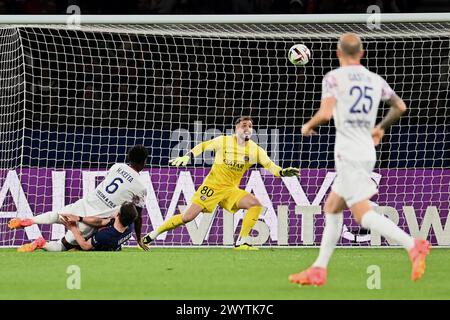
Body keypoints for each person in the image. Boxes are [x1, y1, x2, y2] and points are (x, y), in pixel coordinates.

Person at [289, 33, 430, 286]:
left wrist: (307, 125)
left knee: (361, 214)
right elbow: (400, 106)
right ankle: (318, 269)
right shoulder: (374, 79)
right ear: (362, 53)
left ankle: (413, 245)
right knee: (332, 207)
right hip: (366, 148)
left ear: (338, 53)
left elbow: (325, 113)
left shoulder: (334, 77)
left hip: (349, 152)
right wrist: (381, 127)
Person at [143, 116, 299, 250]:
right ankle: (154, 234)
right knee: (187, 217)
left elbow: (270, 166)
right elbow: (203, 146)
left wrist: (282, 172)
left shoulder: (255, 150)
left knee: (255, 204)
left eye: (250, 126)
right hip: (211, 187)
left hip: (230, 190)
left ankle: (241, 242)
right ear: (236, 128)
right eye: (244, 125)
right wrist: (188, 156)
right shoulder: (223, 141)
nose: (247, 128)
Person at [10, 145, 149, 251]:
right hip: (92, 218)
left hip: (84, 203)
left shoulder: (117, 167)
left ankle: (30, 220)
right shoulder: (140, 187)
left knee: (57, 215)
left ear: (129, 158)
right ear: (143, 163)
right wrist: (138, 239)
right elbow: (137, 216)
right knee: (62, 245)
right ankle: (41, 243)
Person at [18, 201, 138, 252]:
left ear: (118, 214)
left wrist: (73, 228)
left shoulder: (105, 235)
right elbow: (101, 222)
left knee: (65, 246)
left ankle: (41, 240)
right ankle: (41, 243)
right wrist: (80, 218)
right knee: (65, 242)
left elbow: (85, 246)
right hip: (110, 244)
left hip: (94, 247)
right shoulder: (129, 225)